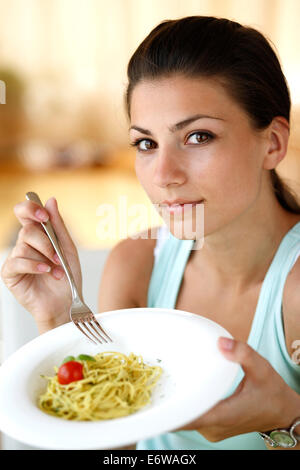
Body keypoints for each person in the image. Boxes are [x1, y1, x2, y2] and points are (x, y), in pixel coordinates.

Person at [1, 15, 300, 450]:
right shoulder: (136, 265)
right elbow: (116, 447)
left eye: (198, 136)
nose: (163, 175)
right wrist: (59, 323)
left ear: (272, 143)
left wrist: (285, 418)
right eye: (146, 143)